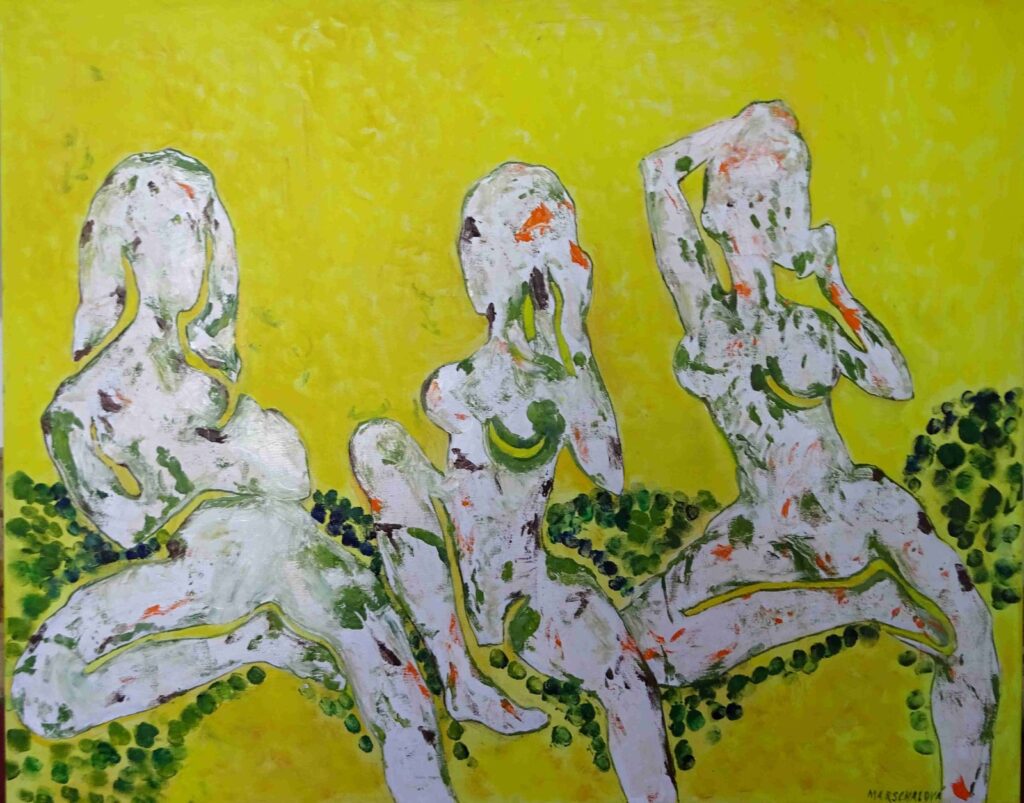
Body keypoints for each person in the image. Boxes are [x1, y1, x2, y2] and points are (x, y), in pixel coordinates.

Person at [12, 150, 455, 802]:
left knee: (376, 642)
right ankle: (247, 644)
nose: (186, 259)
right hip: (198, 570)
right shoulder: (78, 407)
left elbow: (292, 476)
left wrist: (232, 459)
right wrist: (210, 465)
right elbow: (120, 523)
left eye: (196, 236)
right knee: (42, 693)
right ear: (131, 248)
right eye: (168, 236)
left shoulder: (210, 378)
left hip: (281, 545)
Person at [627, 101, 998, 802]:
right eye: (752, 198)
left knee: (970, 628)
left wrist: (834, 282)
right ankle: (854, 604)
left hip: (847, 508)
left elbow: (893, 381)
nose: (769, 215)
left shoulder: (810, 325)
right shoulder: (708, 313)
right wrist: (743, 125)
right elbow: (657, 173)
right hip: (764, 525)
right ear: (717, 213)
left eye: (781, 198)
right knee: (643, 649)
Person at [351, 162, 678, 802]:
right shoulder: (461, 383)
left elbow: (607, 470)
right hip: (452, 562)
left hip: (525, 593)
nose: (474, 259)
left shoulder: (561, 375)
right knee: (376, 444)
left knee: (625, 677)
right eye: (475, 240)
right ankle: (460, 678)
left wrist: (576, 335)